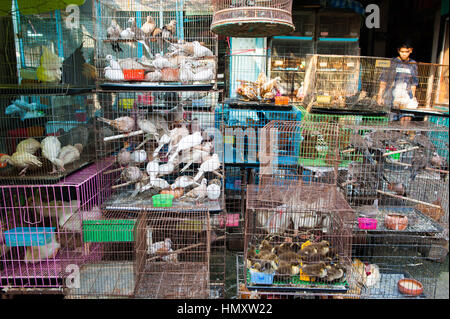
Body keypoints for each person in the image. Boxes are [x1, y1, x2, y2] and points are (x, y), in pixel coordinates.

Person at [377, 43, 419, 124]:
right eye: (402, 51)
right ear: (398, 51)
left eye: (406, 52)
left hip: (407, 95)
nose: (404, 54)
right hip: (392, 95)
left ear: (410, 51)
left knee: (406, 117)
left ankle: (403, 135)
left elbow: (414, 82)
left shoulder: (413, 64)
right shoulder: (392, 62)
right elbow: (383, 80)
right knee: (391, 120)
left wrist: (413, 97)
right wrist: (380, 96)